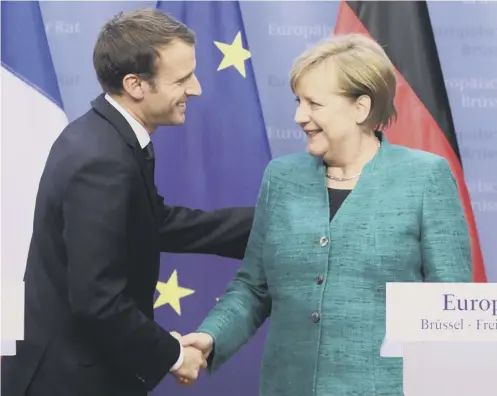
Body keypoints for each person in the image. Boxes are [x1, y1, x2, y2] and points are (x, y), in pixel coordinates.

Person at [176, 33, 473, 395]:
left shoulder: (426, 177)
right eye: (298, 102)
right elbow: (254, 287)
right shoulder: (281, 178)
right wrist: (210, 337)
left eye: (314, 104)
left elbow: (451, 306)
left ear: (361, 108)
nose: (300, 116)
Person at [1, 8, 255, 396]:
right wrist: (172, 354)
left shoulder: (107, 136)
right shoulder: (102, 159)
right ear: (136, 85)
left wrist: (272, 226)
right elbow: (97, 300)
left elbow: (154, 222)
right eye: (183, 79)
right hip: (70, 381)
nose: (197, 88)